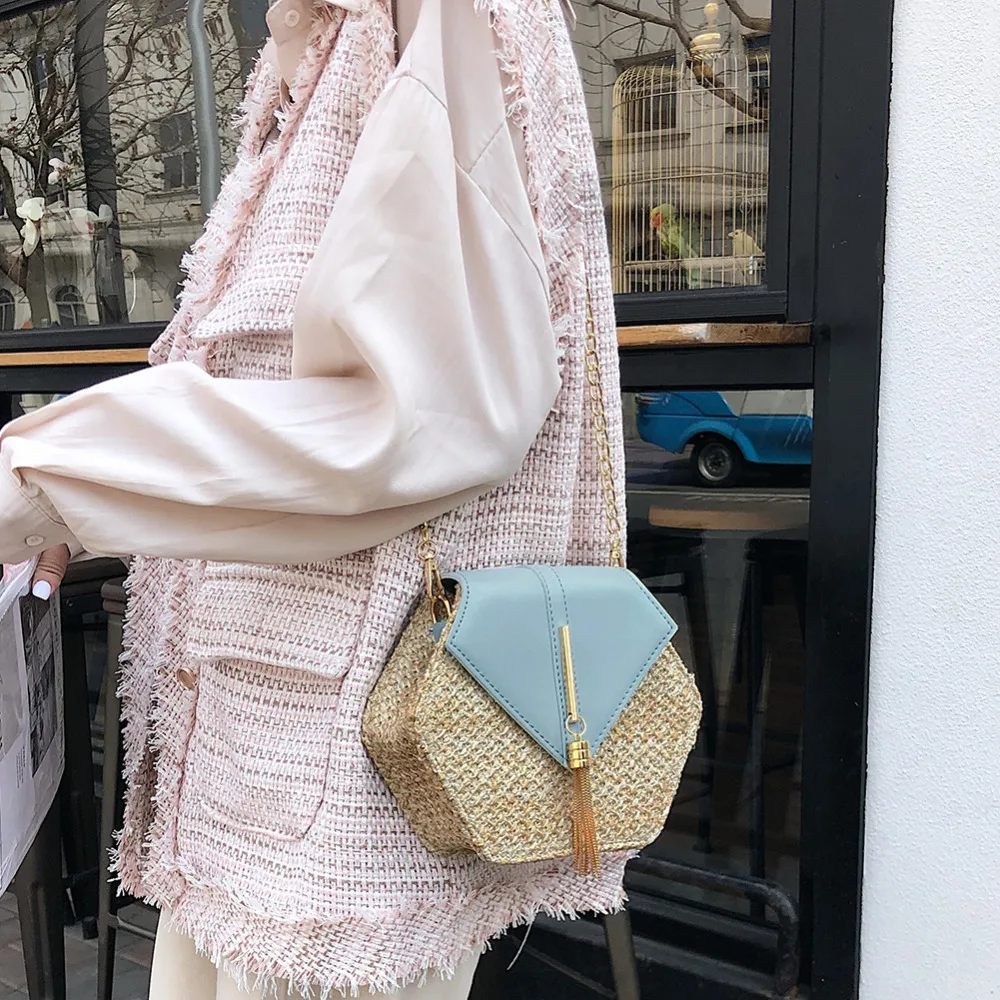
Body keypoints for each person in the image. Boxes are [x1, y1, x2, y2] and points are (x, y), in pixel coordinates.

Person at [0, 0, 628, 996]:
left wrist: (46, 480)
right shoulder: (330, 44)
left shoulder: (436, 21)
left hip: (345, 793)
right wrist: (74, 506)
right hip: (262, 766)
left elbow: (417, 417)